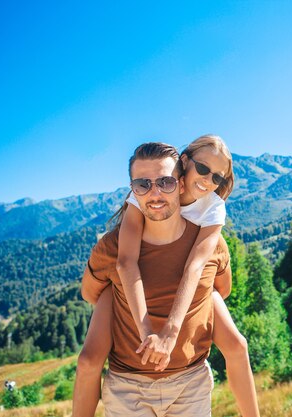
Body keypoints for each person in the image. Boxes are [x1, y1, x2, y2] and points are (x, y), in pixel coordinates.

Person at [73, 138, 260, 416]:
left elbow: (208, 277)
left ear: (179, 181)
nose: (155, 192)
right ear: (185, 165)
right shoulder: (125, 225)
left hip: (189, 380)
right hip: (129, 383)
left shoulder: (211, 213)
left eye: (166, 182)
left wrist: (173, 333)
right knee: (88, 359)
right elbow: (120, 266)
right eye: (142, 185)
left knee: (236, 344)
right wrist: (137, 319)